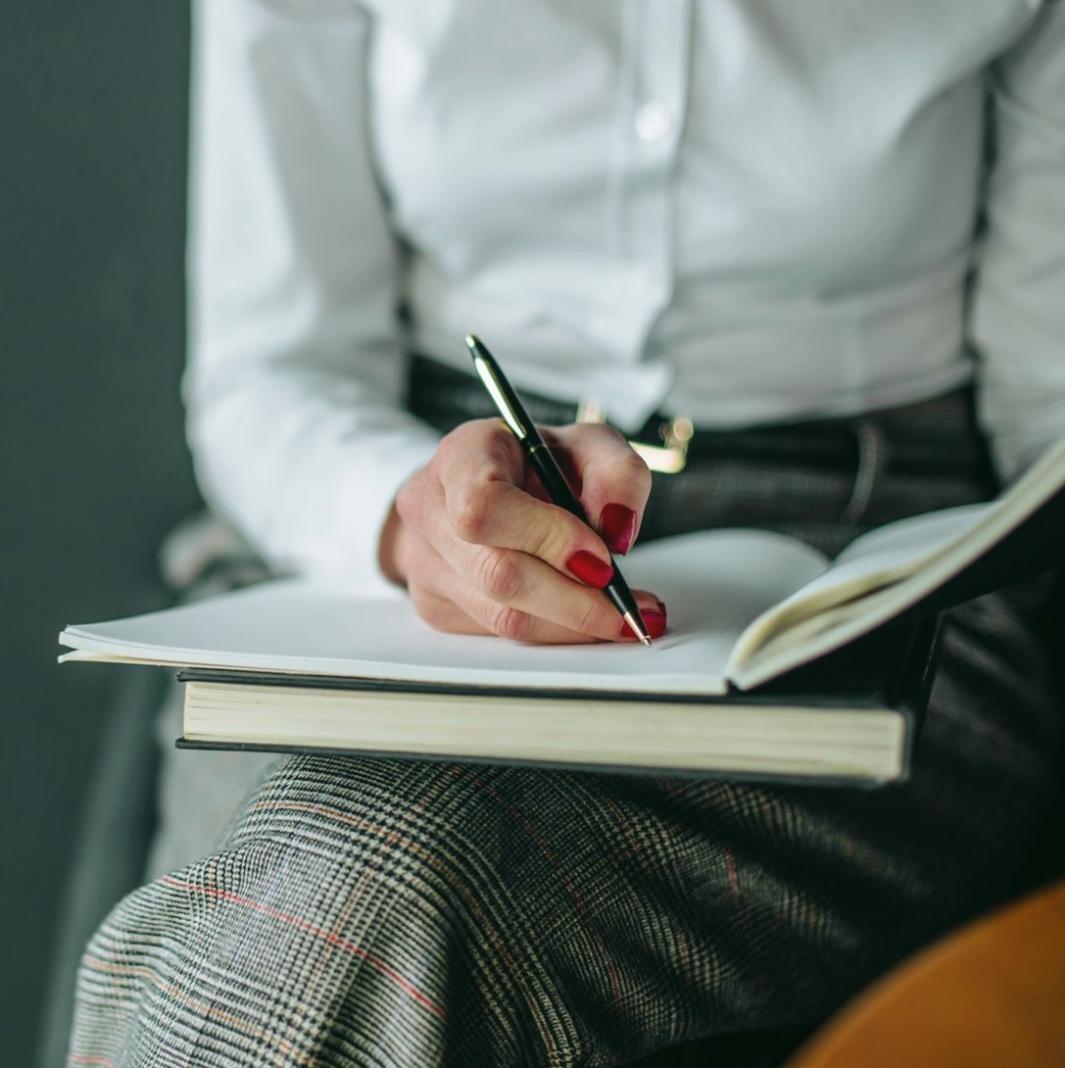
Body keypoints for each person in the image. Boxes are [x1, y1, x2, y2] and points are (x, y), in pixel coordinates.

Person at [68, 2, 1065, 1064]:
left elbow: (1045, 413)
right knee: (293, 907)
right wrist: (412, 522)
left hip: (872, 557)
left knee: (353, 899)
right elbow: (273, 373)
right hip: (403, 509)